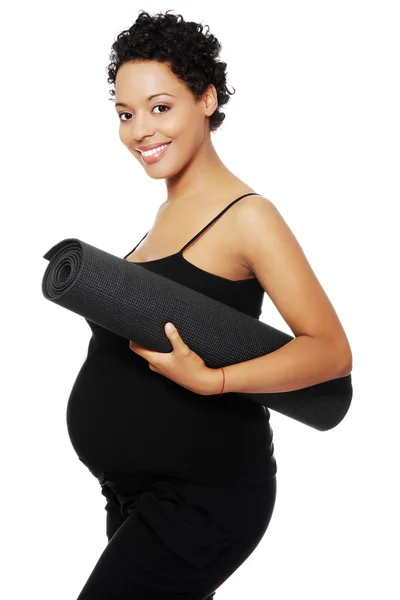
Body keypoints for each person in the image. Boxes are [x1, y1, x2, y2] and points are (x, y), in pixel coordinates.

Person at [69, 9, 352, 600]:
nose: (140, 130)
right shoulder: (165, 216)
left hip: (204, 495)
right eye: (125, 114)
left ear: (206, 98)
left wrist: (214, 380)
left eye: (160, 107)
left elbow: (331, 351)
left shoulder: (248, 216)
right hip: (134, 491)